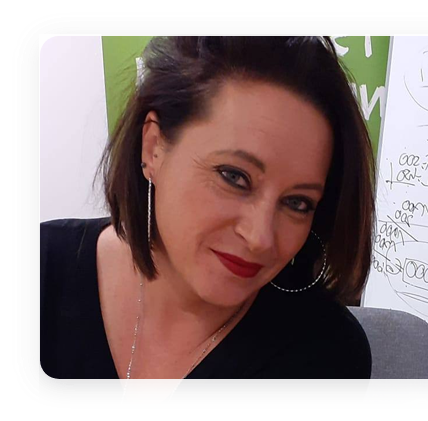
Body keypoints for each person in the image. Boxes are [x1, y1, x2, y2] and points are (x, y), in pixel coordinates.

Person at [39, 34, 376, 409]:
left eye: (297, 203)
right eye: (234, 177)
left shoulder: (322, 355)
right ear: (153, 148)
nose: (260, 238)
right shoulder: (31, 270)